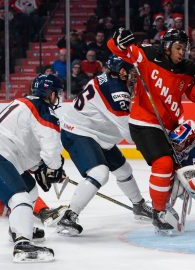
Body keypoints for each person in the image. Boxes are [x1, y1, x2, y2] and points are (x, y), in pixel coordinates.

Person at [107, 28, 195, 233]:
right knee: (163, 163)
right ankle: (158, 213)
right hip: (144, 122)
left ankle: (170, 202)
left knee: (182, 167)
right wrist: (118, 40)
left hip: (171, 127)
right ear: (166, 47)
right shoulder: (147, 54)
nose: (181, 52)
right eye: (178, 47)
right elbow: (116, 49)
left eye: (184, 48)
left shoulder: (188, 67)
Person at [57, 55, 153, 236]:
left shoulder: (108, 79)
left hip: (96, 133)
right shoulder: (116, 90)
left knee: (124, 170)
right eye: (131, 71)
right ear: (122, 71)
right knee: (99, 173)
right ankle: (69, 217)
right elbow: (129, 132)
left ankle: (139, 206)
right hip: (79, 132)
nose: (135, 75)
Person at [0, 74, 65, 262]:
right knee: (20, 198)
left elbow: (23, 142)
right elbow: (51, 146)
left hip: (4, 153)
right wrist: (54, 167)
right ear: (50, 94)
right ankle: (23, 245)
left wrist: (39, 166)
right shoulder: (44, 111)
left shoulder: (23, 102)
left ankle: (16, 229)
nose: (58, 98)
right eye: (57, 94)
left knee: (30, 190)